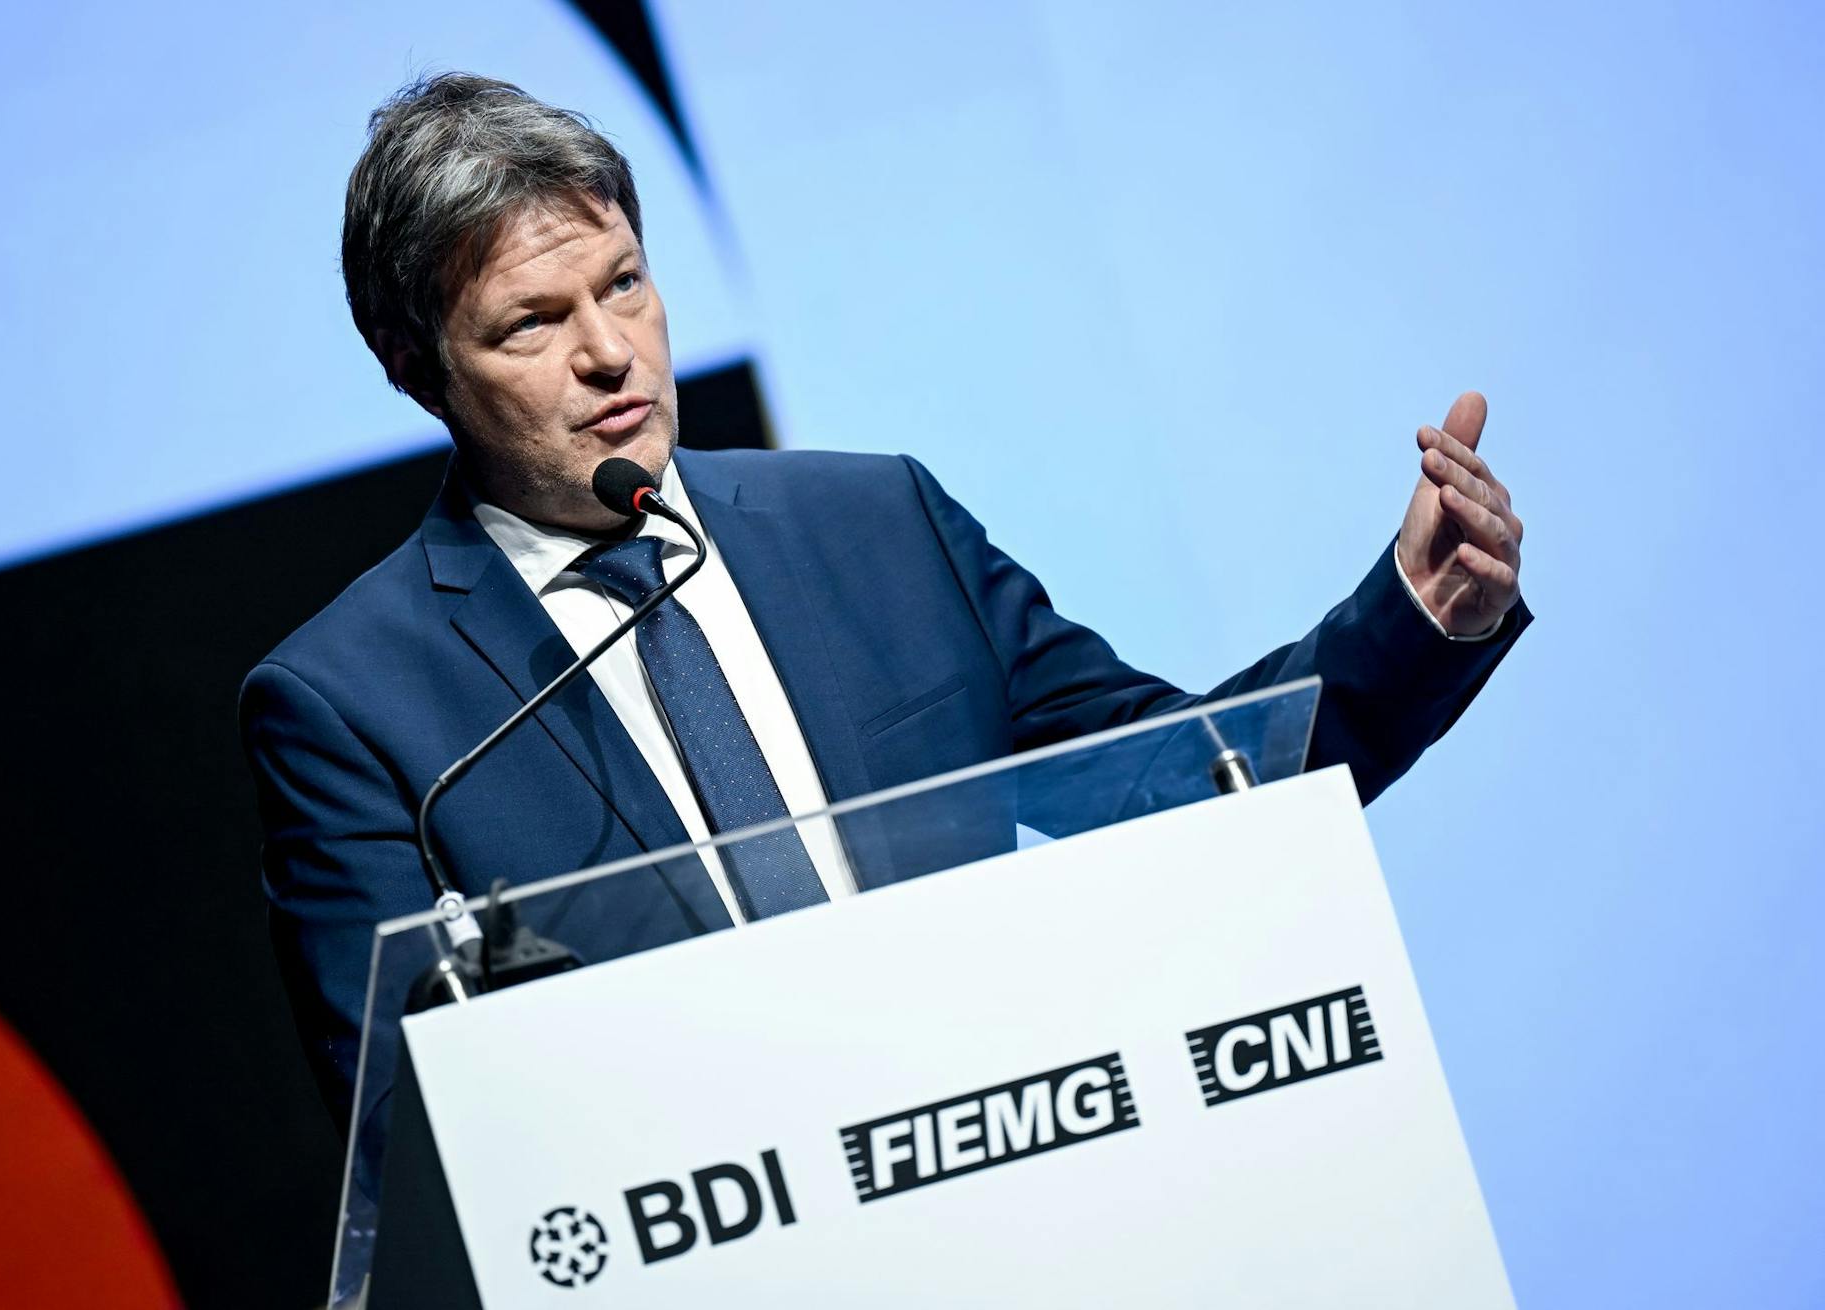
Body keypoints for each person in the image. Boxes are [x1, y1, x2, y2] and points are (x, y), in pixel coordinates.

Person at [241, 73, 1531, 1148]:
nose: (609, 352)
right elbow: (410, 1134)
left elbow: (1185, 782)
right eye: (533, 322)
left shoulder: (872, 527)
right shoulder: (354, 708)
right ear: (419, 372)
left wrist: (1418, 614)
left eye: (623, 283)